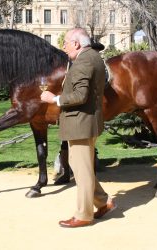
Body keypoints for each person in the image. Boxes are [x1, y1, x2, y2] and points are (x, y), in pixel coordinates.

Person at [41, 28, 116, 228]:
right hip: (86, 121)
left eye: (65, 42)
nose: (63, 46)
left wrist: (54, 99)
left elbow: (80, 96)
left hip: (81, 123)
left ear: (76, 43)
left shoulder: (83, 61)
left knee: (81, 170)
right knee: (79, 166)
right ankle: (103, 201)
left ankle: (84, 214)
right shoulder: (93, 57)